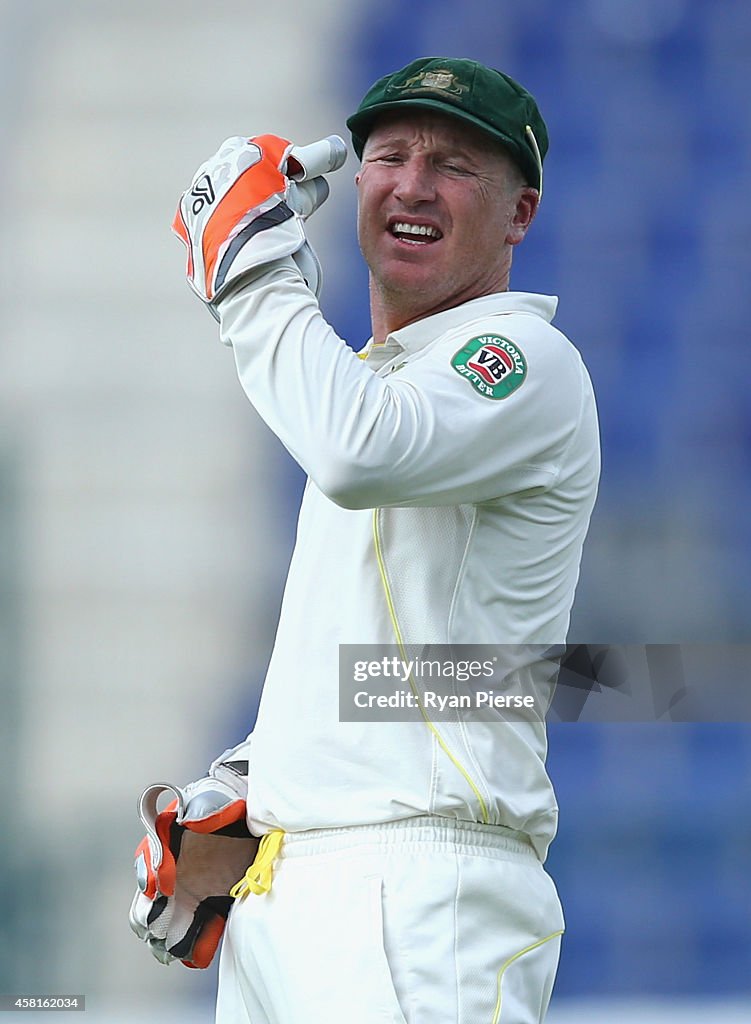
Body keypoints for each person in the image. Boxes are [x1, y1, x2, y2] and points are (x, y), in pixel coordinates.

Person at [130, 57, 600, 1024]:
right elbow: (413, 668)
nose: (412, 183)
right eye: (387, 155)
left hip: (419, 898)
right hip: (294, 897)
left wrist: (250, 272)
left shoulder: (523, 361)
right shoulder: (373, 383)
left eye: (456, 165)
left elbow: (357, 449)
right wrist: (262, 786)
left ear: (519, 215)